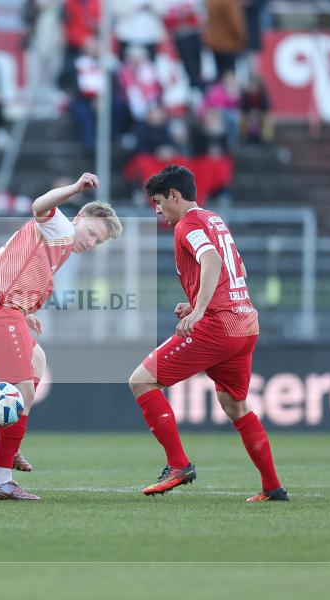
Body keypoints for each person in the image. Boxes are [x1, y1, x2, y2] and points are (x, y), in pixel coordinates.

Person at [0, 173, 122, 501]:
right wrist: (74, 189)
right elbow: (39, 205)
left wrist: (25, 312)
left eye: (98, 242)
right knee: (22, 388)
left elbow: (12, 268)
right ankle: (0, 478)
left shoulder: (61, 243)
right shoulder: (62, 228)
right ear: (81, 218)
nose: (91, 242)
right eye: (93, 233)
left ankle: (6, 441)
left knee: (38, 360)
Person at [129, 164, 287, 502]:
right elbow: (237, 268)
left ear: (174, 194)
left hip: (218, 326)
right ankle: (273, 487)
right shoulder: (214, 219)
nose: (157, 210)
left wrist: (200, 310)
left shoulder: (187, 224)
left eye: (158, 201)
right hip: (245, 322)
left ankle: (178, 465)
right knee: (236, 406)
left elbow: (212, 261)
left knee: (141, 380)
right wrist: (198, 301)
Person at [204, 0, 247, 81]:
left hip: (215, 43)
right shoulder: (228, 2)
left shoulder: (210, 2)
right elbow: (234, 22)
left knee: (220, 74)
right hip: (229, 43)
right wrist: (241, 38)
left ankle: (220, 93)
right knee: (229, 75)